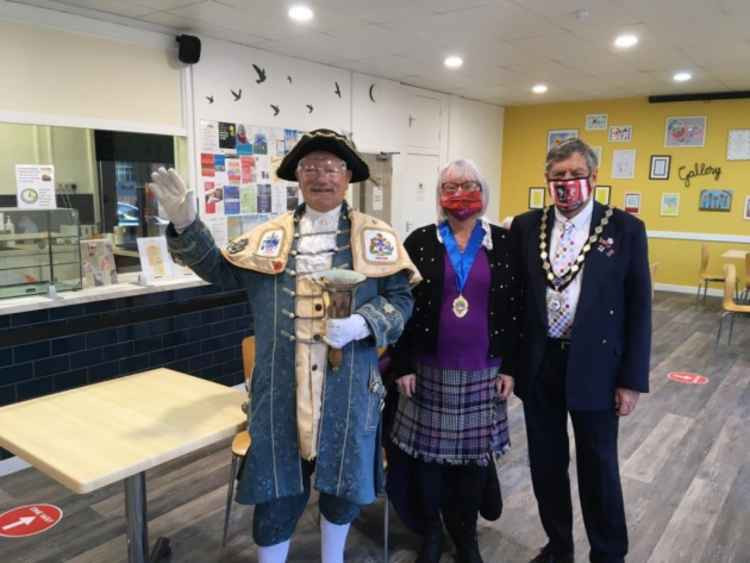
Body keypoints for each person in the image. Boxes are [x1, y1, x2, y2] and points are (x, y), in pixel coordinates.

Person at [149, 129, 420, 563]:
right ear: (297, 175)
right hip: (279, 392)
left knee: (342, 490)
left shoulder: (377, 236)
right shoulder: (267, 238)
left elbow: (402, 301)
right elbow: (221, 271)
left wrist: (362, 324)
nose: (321, 176)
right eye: (311, 167)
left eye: (331, 167)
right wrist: (185, 223)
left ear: (347, 175)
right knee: (276, 494)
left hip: (349, 388)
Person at [508, 139, 651, 563]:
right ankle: (558, 546)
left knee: (598, 466)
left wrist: (631, 380)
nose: (566, 183)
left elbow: (639, 308)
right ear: (547, 179)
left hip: (597, 366)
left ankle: (608, 553)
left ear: (594, 176)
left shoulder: (624, 229)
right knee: (546, 465)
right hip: (540, 363)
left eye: (575, 174)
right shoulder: (525, 226)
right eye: (557, 176)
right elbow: (514, 300)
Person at [387, 159, 518, 563]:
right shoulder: (420, 240)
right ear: (439, 195)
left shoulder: (502, 241)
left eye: (469, 184)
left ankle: (467, 538)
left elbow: (517, 309)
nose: (459, 193)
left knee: (472, 468)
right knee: (427, 464)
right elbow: (401, 304)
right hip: (428, 369)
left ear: (483, 191)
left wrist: (510, 366)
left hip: (485, 371)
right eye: (450, 185)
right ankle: (430, 533)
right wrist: (404, 363)